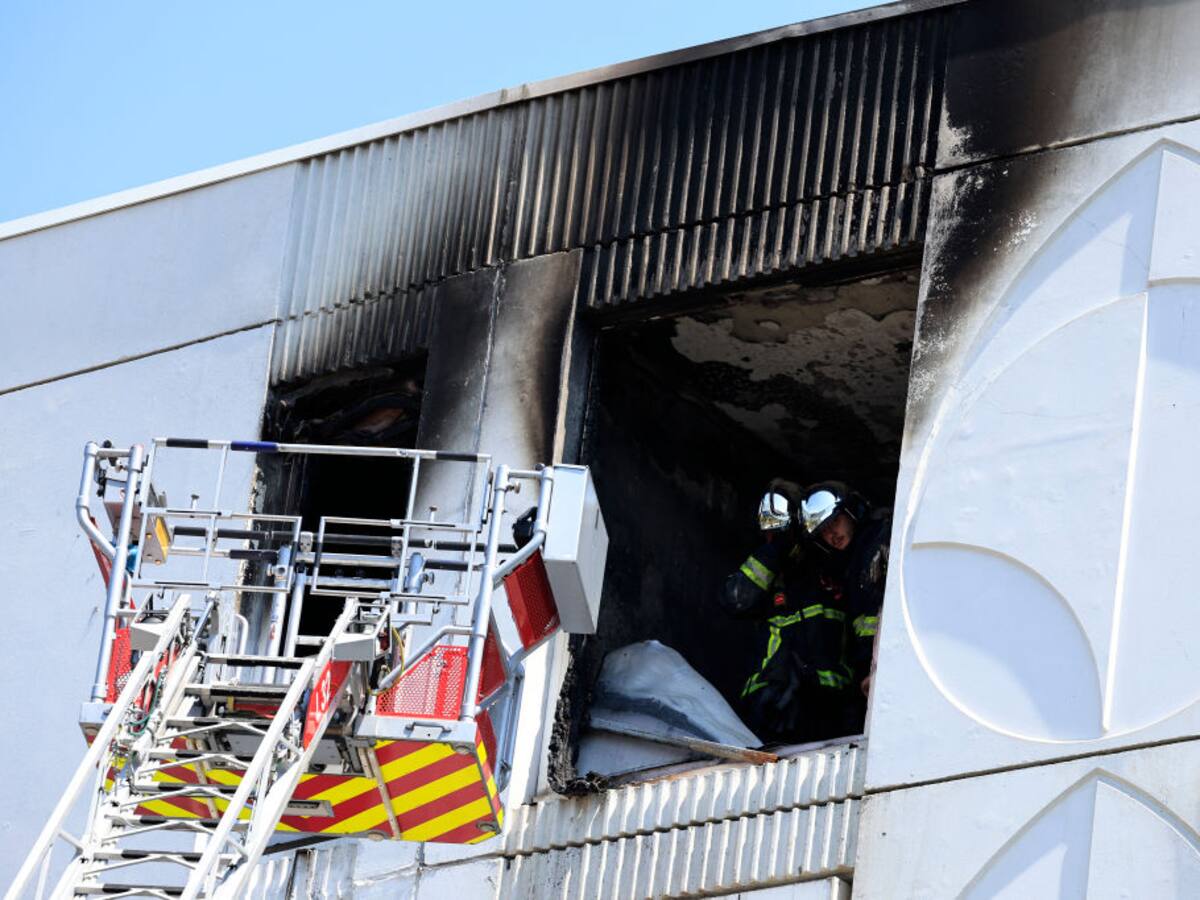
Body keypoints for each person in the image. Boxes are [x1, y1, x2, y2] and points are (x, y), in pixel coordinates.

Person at [719, 480, 890, 745]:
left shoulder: (836, 567)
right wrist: (775, 550)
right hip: (771, 698)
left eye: (832, 524)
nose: (831, 534)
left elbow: (866, 616)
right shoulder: (769, 573)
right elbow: (735, 601)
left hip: (832, 702)